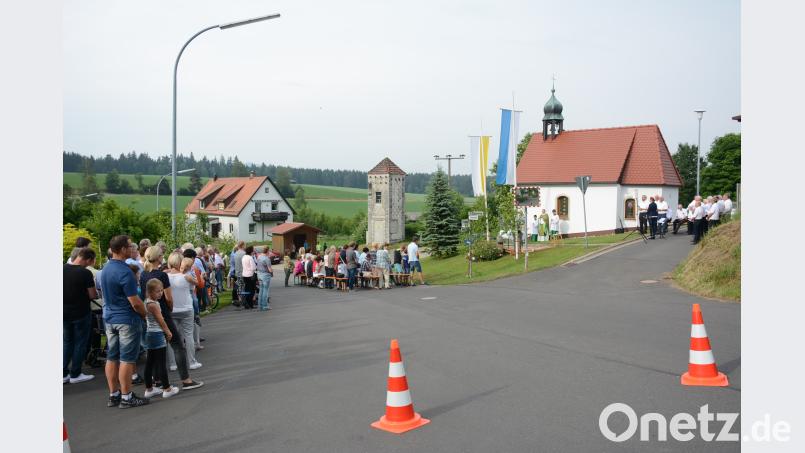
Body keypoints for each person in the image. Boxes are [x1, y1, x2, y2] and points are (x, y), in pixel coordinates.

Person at [140, 246, 203, 391]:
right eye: (161, 254)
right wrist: (169, 309)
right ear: (158, 257)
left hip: (150, 313)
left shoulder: (144, 274)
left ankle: (157, 381)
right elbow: (168, 298)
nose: (163, 257)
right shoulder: (161, 276)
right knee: (177, 345)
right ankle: (186, 380)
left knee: (156, 349)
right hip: (163, 312)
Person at [100, 235, 149, 408]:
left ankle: (114, 394)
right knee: (127, 359)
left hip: (110, 318)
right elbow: (135, 302)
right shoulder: (125, 271)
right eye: (129, 246)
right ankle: (127, 396)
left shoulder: (105, 269)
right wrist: (146, 315)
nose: (132, 249)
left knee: (112, 357)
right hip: (126, 319)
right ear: (122, 249)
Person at [141, 278, 180, 399]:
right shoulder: (153, 304)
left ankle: (149, 388)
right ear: (150, 292)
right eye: (158, 291)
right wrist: (168, 331)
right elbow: (160, 319)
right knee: (161, 363)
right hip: (157, 334)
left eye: (161, 291)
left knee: (150, 361)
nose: (161, 293)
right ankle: (167, 388)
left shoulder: (146, 302)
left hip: (150, 334)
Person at [64, 247, 98, 384]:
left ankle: (63, 372)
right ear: (87, 259)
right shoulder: (85, 273)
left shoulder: (62, 269)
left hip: (63, 312)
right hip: (81, 312)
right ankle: (75, 373)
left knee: (67, 342)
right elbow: (92, 295)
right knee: (80, 343)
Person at [167, 253, 202, 371]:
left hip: (172, 309)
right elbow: (197, 283)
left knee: (172, 337)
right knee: (188, 335)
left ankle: (173, 364)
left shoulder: (166, 276)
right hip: (186, 308)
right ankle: (192, 361)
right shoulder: (186, 277)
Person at [256, 246, 273, 311]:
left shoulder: (259, 257)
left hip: (259, 274)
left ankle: (260, 305)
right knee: (265, 291)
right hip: (265, 275)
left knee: (261, 290)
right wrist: (272, 272)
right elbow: (270, 269)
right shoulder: (266, 258)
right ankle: (265, 306)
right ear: (267, 251)